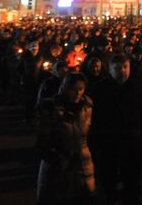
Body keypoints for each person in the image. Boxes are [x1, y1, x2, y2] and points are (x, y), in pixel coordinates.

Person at [89, 54, 142, 205]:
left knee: (133, 183)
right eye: (118, 68)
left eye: (125, 67)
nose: (123, 71)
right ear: (110, 70)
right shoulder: (99, 89)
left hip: (132, 143)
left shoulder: (139, 87)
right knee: (108, 183)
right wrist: (93, 146)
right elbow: (92, 120)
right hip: (108, 144)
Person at [36, 73, 95, 205]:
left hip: (82, 165)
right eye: (74, 88)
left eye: (81, 88)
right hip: (58, 168)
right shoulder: (51, 109)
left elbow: (90, 135)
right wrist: (58, 160)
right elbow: (42, 143)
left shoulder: (87, 107)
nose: (78, 93)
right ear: (65, 88)